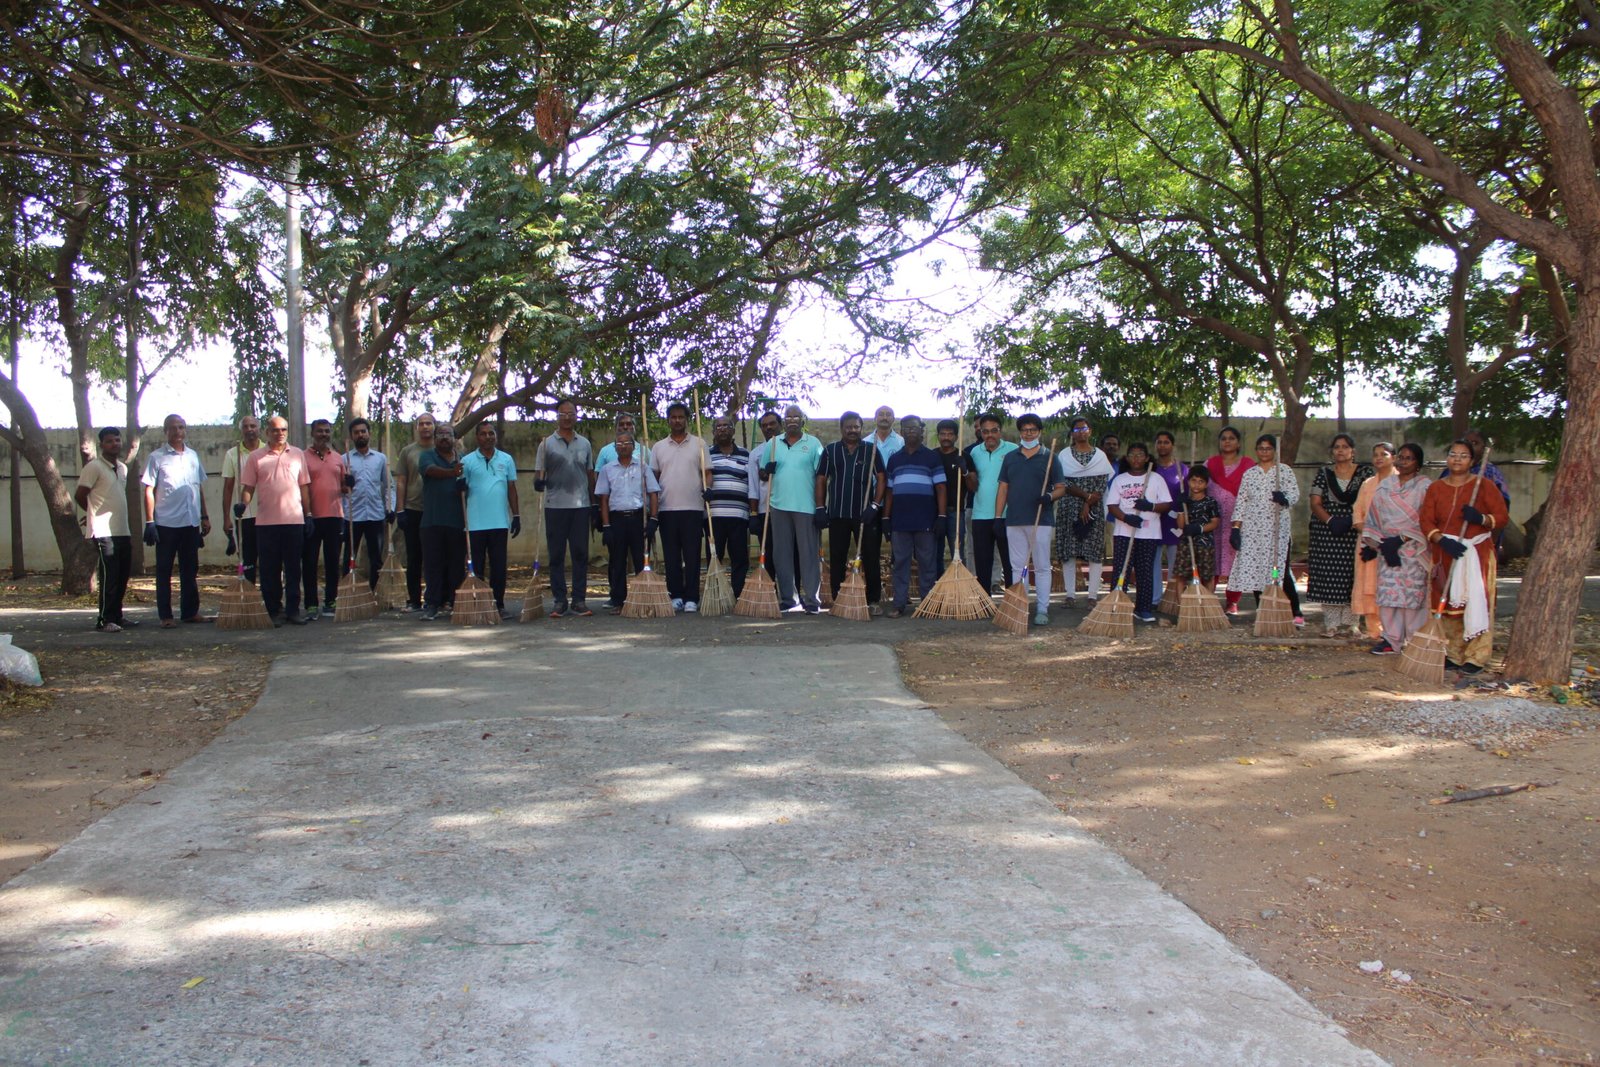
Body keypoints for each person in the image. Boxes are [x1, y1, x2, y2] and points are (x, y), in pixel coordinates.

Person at [1420, 439, 1510, 674]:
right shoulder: (1436, 488)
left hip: (1477, 554)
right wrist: (1441, 540)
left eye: (1463, 455)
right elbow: (1426, 520)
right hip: (1446, 552)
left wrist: (1481, 518)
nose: (1457, 459)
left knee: (1476, 602)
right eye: (1453, 454)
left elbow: (1502, 516)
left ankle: (1476, 656)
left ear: (1472, 461)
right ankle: (1452, 653)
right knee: (1448, 604)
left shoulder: (1484, 486)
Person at [238, 416, 311, 626]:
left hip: (294, 521)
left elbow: (304, 487)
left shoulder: (297, 454)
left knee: (293, 569)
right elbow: (248, 488)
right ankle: (273, 611)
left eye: (283, 430)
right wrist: (242, 504)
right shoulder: (256, 457)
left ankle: (293, 610)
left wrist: (308, 515)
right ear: (267, 432)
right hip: (266, 523)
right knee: (269, 570)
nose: (280, 434)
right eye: (275, 430)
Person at [994, 413, 1065, 625]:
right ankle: (1020, 607)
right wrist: (998, 517)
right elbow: (1003, 488)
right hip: (1015, 519)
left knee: (1042, 566)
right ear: (1020, 432)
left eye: (1033, 430)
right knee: (1017, 567)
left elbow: (1061, 488)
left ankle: (1042, 609)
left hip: (1041, 520)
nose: (1028, 433)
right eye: (1025, 430)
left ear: (1039, 432)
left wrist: (1049, 497)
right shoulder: (1010, 457)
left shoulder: (1050, 456)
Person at [1361, 443, 1431, 656]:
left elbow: (1427, 518)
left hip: (1414, 548)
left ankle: (1416, 641)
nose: (1403, 461)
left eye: (1409, 458)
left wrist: (1402, 538)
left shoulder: (1425, 487)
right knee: (1389, 595)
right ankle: (1391, 640)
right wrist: (1372, 543)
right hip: (1388, 548)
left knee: (1413, 596)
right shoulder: (1386, 485)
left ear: (1418, 463)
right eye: (1400, 457)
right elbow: (1374, 514)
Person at [142, 413, 211, 627]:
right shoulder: (156, 457)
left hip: (191, 522)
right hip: (166, 524)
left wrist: (204, 516)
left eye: (181, 427)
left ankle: (190, 612)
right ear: (165, 431)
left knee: (190, 570)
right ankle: (166, 616)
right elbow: (149, 490)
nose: (178, 431)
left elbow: (198, 487)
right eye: (173, 427)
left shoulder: (193, 456)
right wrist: (150, 521)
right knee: (164, 571)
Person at [1307, 433, 1375, 637]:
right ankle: (1331, 624)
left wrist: (1352, 520)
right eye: (1337, 447)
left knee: (1353, 575)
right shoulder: (1324, 473)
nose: (1341, 450)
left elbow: (1370, 500)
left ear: (1353, 451)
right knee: (1329, 576)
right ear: (1332, 451)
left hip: (1355, 529)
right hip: (1327, 531)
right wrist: (1331, 521)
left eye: (1345, 447)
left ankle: (1353, 624)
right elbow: (1315, 502)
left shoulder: (1365, 473)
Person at [817, 411, 886, 609]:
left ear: (861, 428)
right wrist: (820, 507)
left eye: (856, 427)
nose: (852, 430)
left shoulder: (871, 450)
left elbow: (882, 478)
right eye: (848, 427)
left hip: (865, 515)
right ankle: (838, 599)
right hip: (838, 513)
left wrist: (875, 505)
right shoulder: (830, 451)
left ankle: (873, 600)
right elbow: (821, 478)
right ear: (841, 429)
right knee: (837, 557)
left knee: (870, 556)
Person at [533, 398, 595, 617]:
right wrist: (538, 483)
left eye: (571, 413)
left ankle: (579, 600)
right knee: (557, 555)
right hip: (555, 506)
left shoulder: (585, 444)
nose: (567, 417)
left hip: (580, 506)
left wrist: (594, 504)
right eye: (563, 414)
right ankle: (559, 600)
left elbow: (590, 475)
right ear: (557, 416)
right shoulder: (546, 444)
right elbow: (538, 475)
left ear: (576, 416)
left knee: (580, 553)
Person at [759, 405, 824, 612]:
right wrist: (766, 470)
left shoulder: (813, 444)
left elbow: (821, 477)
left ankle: (812, 600)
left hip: (806, 506)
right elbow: (762, 473)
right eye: (789, 417)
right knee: (781, 555)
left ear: (803, 420)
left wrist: (821, 506)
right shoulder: (773, 443)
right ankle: (789, 599)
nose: (792, 420)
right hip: (778, 506)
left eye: (796, 417)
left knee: (808, 555)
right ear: (784, 422)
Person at [1227, 434, 1300, 613]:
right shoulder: (1250, 474)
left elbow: (1295, 493)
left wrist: (1285, 499)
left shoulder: (1284, 471)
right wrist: (1235, 528)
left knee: (1280, 570)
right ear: (1256, 450)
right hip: (1253, 529)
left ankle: (1295, 611)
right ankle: (1263, 611)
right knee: (1256, 570)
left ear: (1275, 450)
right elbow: (1241, 502)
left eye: (1268, 448)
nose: (1264, 452)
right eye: (1261, 448)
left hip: (1277, 529)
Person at [882, 416, 946, 617]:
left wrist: (942, 516)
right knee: (900, 563)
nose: (911, 431)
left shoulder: (932, 457)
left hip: (926, 520)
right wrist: (886, 518)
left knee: (927, 564)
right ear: (901, 431)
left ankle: (927, 605)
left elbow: (941, 488)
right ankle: (899, 604)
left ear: (921, 431)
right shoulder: (894, 459)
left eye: (915, 428)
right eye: (907, 428)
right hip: (900, 521)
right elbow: (889, 491)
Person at [651, 401, 710, 613]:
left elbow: (707, 473)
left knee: (692, 556)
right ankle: (675, 595)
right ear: (668, 420)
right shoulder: (658, 447)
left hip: (693, 508)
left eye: (681, 417)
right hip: (666, 509)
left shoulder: (699, 444)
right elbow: (653, 478)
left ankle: (692, 597)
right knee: (671, 556)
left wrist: (708, 488)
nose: (677, 420)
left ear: (687, 420)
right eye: (673, 417)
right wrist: (652, 509)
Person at [76, 427, 134, 633]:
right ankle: (104, 619)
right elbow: (80, 495)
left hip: (122, 529)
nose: (114, 444)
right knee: (109, 575)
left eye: (117, 440)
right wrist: (92, 513)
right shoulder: (94, 467)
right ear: (101, 445)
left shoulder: (123, 468)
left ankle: (117, 616)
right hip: (103, 531)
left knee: (122, 574)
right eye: (109, 441)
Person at [1106, 442, 1173, 623]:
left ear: (1147, 458)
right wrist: (1126, 518)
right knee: (1121, 571)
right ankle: (1117, 607)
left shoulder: (1156, 479)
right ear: (1127, 458)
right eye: (1132, 455)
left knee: (1145, 572)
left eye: (1140, 454)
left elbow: (1167, 504)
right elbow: (1112, 505)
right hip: (1123, 532)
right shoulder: (1120, 480)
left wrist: (1150, 506)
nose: (1136, 458)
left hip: (1148, 533)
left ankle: (1143, 609)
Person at [462, 422, 521, 620]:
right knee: (476, 566)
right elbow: (460, 490)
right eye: (483, 434)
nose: (488, 437)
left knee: (498, 567)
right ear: (477, 437)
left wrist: (516, 516)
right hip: (475, 523)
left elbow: (511, 488)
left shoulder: (506, 459)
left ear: (495, 436)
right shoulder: (467, 461)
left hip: (499, 522)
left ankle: (499, 604)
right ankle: (479, 604)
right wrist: (459, 486)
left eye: (491, 433)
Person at [596, 431, 660, 612]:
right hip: (616, 520)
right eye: (619, 443)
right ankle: (618, 601)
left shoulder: (642, 467)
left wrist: (653, 518)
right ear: (614, 447)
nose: (623, 446)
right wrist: (606, 526)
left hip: (638, 518)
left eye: (627, 443)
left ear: (634, 446)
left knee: (642, 560)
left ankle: (642, 599)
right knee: (617, 562)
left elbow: (653, 493)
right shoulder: (607, 469)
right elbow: (603, 499)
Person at [1053, 415, 1114, 605]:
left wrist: (1088, 503)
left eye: (1084, 428)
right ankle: (1070, 595)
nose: (1081, 432)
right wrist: (1086, 497)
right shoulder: (1064, 455)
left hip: (1094, 509)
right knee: (1069, 551)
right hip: (1069, 506)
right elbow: (1063, 482)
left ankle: (1092, 595)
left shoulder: (1100, 456)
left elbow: (1102, 483)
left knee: (1094, 551)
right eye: (1077, 429)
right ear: (1072, 433)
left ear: (1090, 431)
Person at [417, 422, 467, 621]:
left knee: (456, 564)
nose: (444, 437)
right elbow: (430, 471)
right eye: (440, 434)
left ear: (455, 438)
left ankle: (455, 601)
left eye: (448, 434)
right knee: (433, 564)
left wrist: (464, 483)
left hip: (457, 520)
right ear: (435, 438)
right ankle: (432, 604)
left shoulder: (462, 459)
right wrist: (452, 473)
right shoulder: (427, 456)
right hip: (433, 520)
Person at [965, 412, 1017, 595]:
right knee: (982, 562)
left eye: (994, 430)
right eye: (985, 431)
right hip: (980, 515)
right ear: (980, 432)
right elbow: (972, 485)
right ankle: (984, 601)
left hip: (1007, 515)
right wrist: (965, 473)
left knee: (1010, 562)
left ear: (1000, 431)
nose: (990, 435)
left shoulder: (1013, 450)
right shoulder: (974, 452)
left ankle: (1012, 601)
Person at [1205, 425, 1256, 615]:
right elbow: (1199, 485)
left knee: (1236, 560)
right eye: (1223, 438)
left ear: (1238, 443)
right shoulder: (1210, 464)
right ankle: (1209, 599)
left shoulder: (1249, 465)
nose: (1227, 441)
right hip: (1213, 521)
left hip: (1238, 522)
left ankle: (1232, 601)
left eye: (1231, 438)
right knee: (1211, 558)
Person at [300, 418, 347, 620]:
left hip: (334, 516)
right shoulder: (302, 457)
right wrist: (307, 514)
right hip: (311, 517)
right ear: (312, 433)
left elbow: (344, 487)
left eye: (327, 431)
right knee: (309, 562)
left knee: (332, 561)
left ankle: (330, 601)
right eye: (319, 431)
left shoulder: (338, 458)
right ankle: (311, 604)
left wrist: (349, 483)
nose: (323, 434)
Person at [706, 415, 757, 597]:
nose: (722, 429)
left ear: (733, 430)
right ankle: (715, 596)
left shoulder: (746, 455)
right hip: (713, 517)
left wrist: (753, 513)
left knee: (739, 558)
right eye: (718, 426)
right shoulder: (706, 455)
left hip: (739, 517)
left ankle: (737, 594)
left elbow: (752, 484)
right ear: (714, 431)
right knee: (714, 557)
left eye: (726, 426)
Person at [1351, 442, 1394, 640]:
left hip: (1393, 544)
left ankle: (1392, 632)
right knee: (1368, 585)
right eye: (1375, 454)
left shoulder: (1400, 482)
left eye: (1384, 454)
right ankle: (1373, 631)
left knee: (1390, 586)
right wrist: (1369, 534)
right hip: (1368, 542)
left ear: (1394, 458)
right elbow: (1357, 512)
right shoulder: (1368, 484)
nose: (1378, 458)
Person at [394, 413, 436, 612]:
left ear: (434, 426)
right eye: (422, 424)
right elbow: (401, 481)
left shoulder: (441, 450)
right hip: (413, 509)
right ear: (416, 427)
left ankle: (435, 598)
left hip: (435, 510)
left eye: (429, 423)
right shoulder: (408, 451)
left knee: (434, 557)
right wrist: (400, 509)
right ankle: (414, 600)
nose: (425, 427)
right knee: (414, 557)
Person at [343, 418, 392, 591]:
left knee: (376, 558)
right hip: (352, 516)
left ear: (369, 433)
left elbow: (389, 485)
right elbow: (339, 489)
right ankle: (347, 592)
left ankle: (375, 593)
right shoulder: (345, 459)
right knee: (349, 557)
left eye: (363, 431)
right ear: (352, 436)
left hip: (375, 515)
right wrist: (345, 484)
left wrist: (390, 507)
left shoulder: (380, 459)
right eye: (356, 432)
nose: (360, 435)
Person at [220, 414, 262, 582]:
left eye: (253, 426)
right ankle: (249, 593)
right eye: (245, 427)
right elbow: (228, 488)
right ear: (241, 430)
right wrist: (226, 518)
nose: (249, 429)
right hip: (244, 516)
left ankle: (271, 596)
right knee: (247, 561)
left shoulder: (268, 451)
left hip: (268, 515)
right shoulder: (232, 454)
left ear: (259, 428)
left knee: (269, 559)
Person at [746, 410, 784, 579]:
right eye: (764, 425)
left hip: (787, 509)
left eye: (772, 424)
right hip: (765, 511)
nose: (768, 428)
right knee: (768, 553)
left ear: (780, 425)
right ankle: (770, 588)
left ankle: (789, 590)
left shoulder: (790, 449)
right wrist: (754, 514)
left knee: (788, 552)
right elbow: (753, 486)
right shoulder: (756, 453)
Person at [1173, 466, 1222, 591]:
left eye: (1201, 481)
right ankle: (1182, 603)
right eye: (1194, 480)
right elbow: (1180, 525)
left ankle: (1208, 601)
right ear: (1188, 481)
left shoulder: (1210, 502)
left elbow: (1215, 523)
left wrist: (1199, 529)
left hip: (1205, 544)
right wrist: (1181, 508)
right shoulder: (1185, 502)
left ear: (1206, 484)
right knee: (1181, 576)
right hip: (1186, 543)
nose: (1197, 484)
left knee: (1207, 576)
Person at [1152, 431, 1189, 586]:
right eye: (1159, 442)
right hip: (1154, 518)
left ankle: (1173, 595)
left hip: (1175, 520)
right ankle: (1154, 596)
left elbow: (1189, 494)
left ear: (1172, 445)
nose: (1162, 445)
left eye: (1166, 442)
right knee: (1153, 560)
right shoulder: (1151, 468)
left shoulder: (1182, 469)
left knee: (1176, 561)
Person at [933, 418, 964, 577]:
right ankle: (938, 586)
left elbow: (973, 485)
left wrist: (965, 471)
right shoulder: (931, 456)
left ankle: (958, 584)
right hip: (934, 512)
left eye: (950, 434)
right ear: (938, 435)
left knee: (958, 552)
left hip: (956, 511)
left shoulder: (962, 456)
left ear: (956, 436)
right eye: (943, 434)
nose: (946, 437)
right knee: (935, 553)